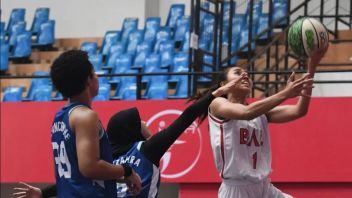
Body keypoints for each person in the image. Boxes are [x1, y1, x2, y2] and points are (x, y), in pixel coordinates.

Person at [13, 68, 244, 198]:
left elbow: (79, 176)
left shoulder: (103, 158)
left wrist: (43, 194)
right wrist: (218, 92)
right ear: (133, 129)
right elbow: (186, 118)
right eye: (140, 120)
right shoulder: (149, 148)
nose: (145, 122)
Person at [192, 47, 327, 198]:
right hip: (237, 191)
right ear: (224, 83)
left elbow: (299, 110)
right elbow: (246, 113)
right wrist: (286, 93)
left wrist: (313, 64)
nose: (245, 75)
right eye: (237, 72)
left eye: (247, 75)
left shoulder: (259, 112)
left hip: (264, 187)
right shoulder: (217, 104)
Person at [36, 50, 141, 198]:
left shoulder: (60, 116)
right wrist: (126, 170)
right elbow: (89, 168)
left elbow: (78, 174)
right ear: (88, 80)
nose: (97, 76)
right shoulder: (86, 117)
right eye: (94, 73)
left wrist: (122, 177)